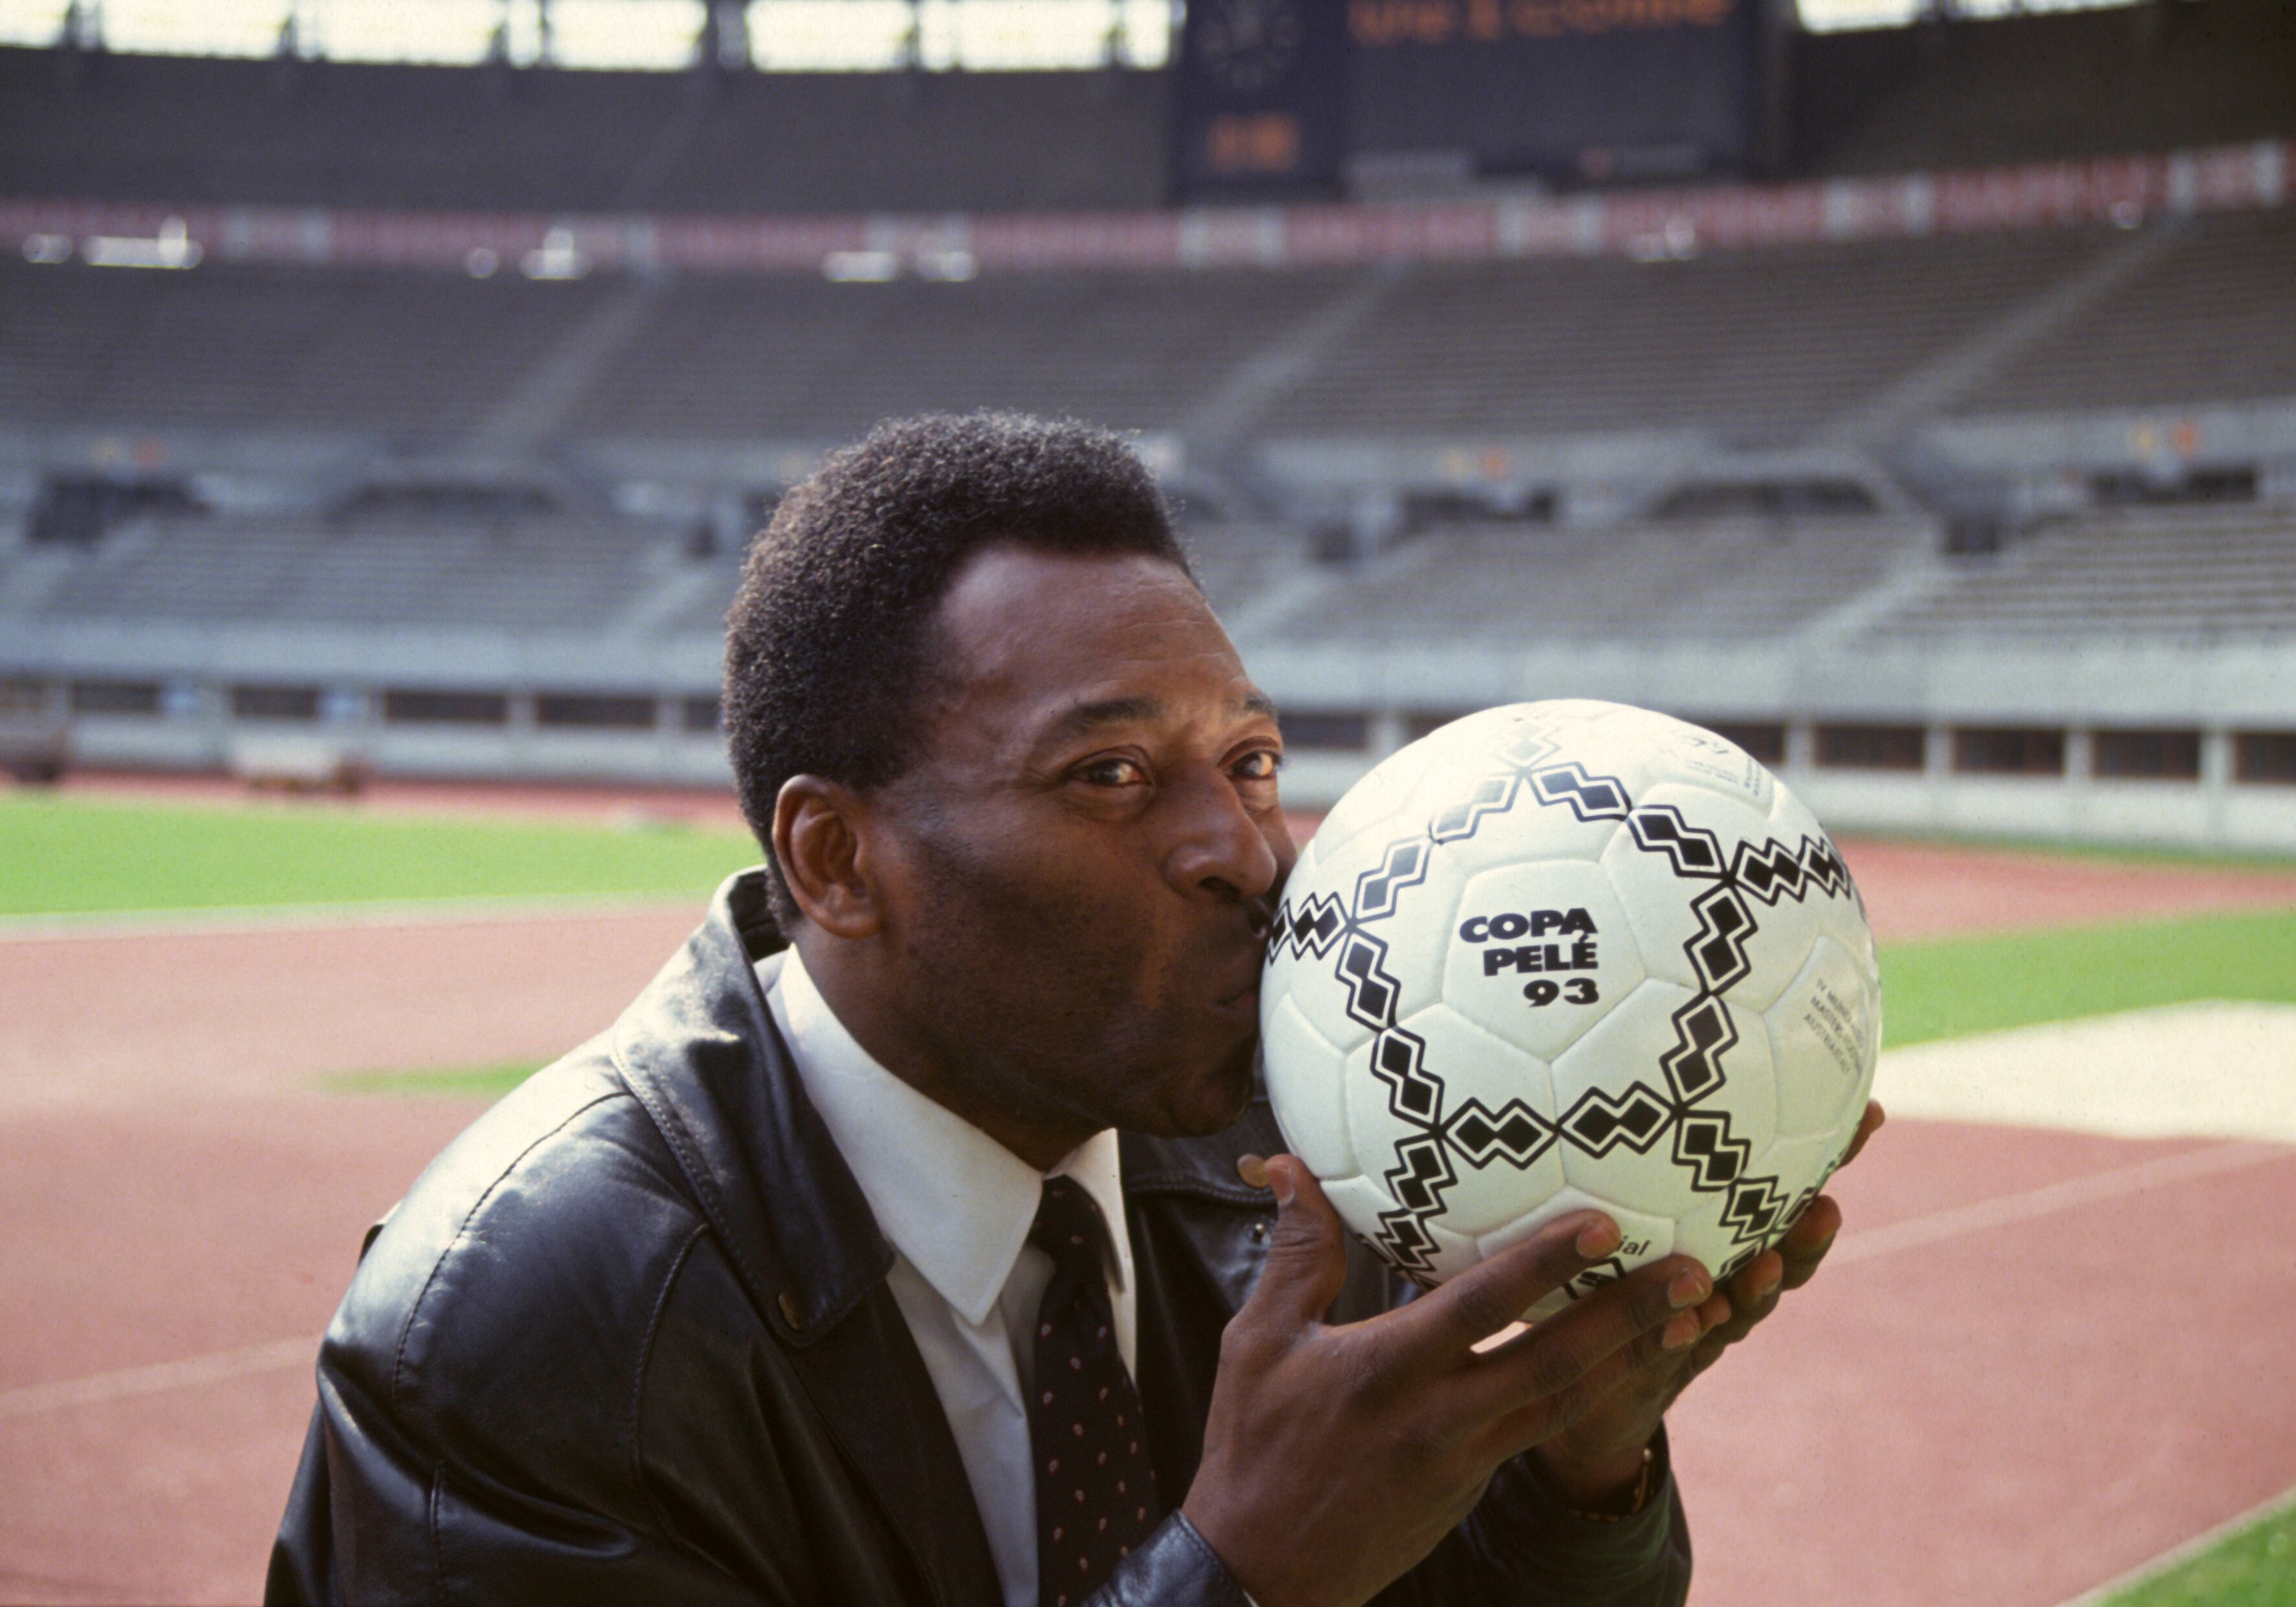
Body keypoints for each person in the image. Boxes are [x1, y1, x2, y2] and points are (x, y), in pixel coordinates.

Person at [268, 413, 1880, 1607]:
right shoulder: (528, 1332)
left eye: (1249, 761)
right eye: (1110, 773)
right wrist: (1237, 1577)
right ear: (836, 859)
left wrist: (1576, 1474)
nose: (1244, 852)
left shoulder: (1318, 1160)